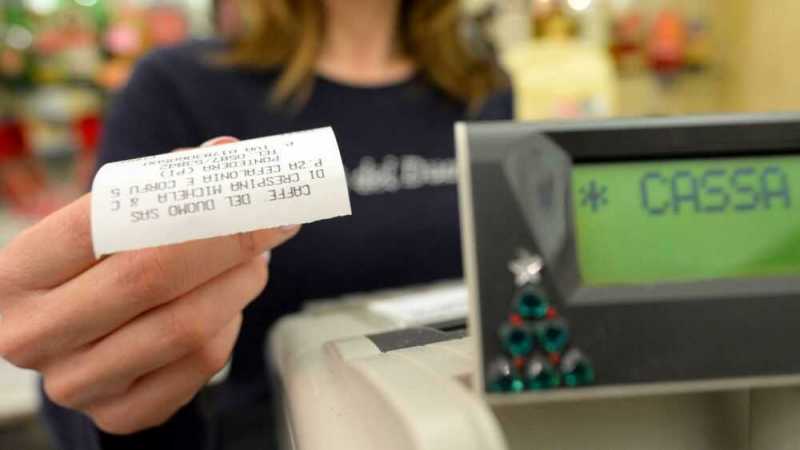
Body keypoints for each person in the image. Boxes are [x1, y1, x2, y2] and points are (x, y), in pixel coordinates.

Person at [0, 0, 512, 448]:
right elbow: (92, 371)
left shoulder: (482, 89)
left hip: (483, 425)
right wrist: (113, 394)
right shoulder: (180, 87)